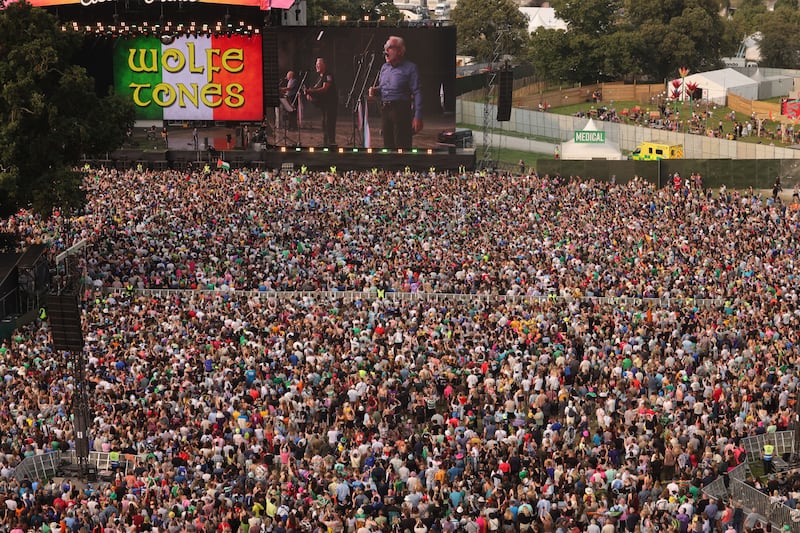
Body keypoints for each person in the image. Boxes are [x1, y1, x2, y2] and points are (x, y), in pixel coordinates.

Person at [368, 36, 422, 149]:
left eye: (390, 47)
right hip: (385, 110)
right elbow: (383, 89)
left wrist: (418, 116)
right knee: (387, 146)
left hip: (401, 110)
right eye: (385, 47)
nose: (386, 51)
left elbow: (417, 92)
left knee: (402, 146)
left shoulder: (410, 68)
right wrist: (375, 91)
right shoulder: (384, 68)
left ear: (400, 51)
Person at [306, 57, 338, 146]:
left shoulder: (328, 75)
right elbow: (316, 88)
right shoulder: (319, 77)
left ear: (324, 65)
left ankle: (331, 142)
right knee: (324, 122)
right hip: (323, 104)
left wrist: (311, 92)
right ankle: (325, 141)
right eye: (316, 64)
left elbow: (324, 89)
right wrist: (310, 93)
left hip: (330, 104)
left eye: (319, 64)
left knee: (329, 122)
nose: (317, 66)